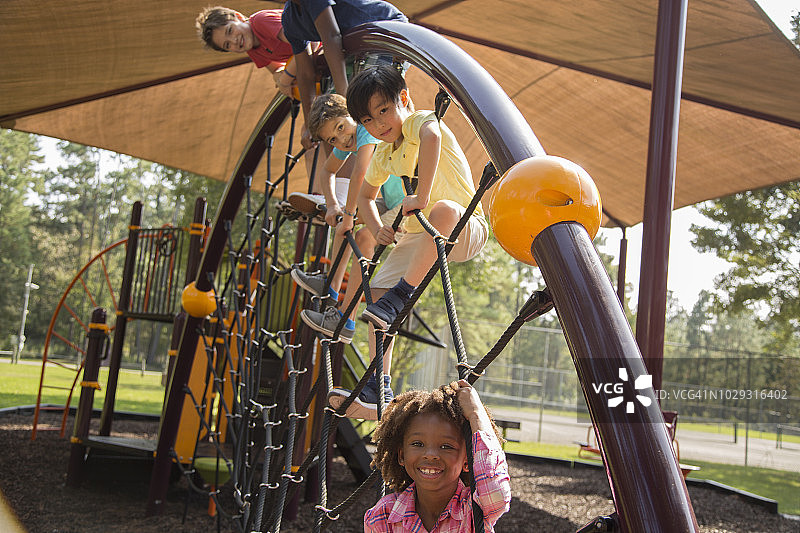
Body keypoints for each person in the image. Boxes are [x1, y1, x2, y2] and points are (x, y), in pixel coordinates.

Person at [327, 65, 489, 419]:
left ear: (403, 99)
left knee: (443, 209)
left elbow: (432, 137)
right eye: (368, 121)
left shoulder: (418, 121)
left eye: (384, 110)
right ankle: (377, 387)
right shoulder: (384, 154)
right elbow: (367, 196)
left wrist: (421, 195)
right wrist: (376, 227)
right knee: (375, 303)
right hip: (420, 239)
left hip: (464, 228)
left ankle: (400, 299)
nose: (379, 124)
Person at [290, 93, 405, 343]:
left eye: (341, 127)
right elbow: (326, 171)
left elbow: (360, 173)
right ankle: (330, 284)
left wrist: (349, 216)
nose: (342, 138)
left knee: (362, 234)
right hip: (389, 197)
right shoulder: (349, 141)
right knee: (344, 219)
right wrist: (333, 206)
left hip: (409, 203)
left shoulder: (366, 131)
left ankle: (345, 319)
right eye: (333, 138)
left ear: (352, 116)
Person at [364, 380, 511, 532]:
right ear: (401, 455)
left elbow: (496, 494)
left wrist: (476, 415)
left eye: (446, 446)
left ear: (468, 460)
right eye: (418, 444)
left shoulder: (474, 509)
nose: (430, 455)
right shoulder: (383, 516)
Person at [280, 0, 407, 143]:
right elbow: (304, 73)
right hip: (353, 46)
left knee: (365, 101)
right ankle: (338, 164)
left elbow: (331, 37)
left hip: (384, 31)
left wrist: (344, 96)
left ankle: (388, 150)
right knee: (328, 118)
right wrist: (311, 126)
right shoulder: (289, 19)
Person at [195, 6, 299, 96]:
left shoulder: (261, 22)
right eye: (227, 45)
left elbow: (304, 43)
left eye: (230, 30)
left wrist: (285, 80)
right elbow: (276, 68)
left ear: (239, 17)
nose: (234, 41)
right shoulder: (252, 50)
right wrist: (278, 76)